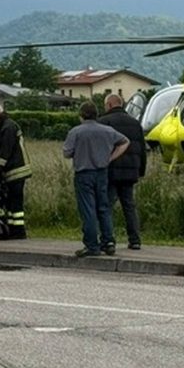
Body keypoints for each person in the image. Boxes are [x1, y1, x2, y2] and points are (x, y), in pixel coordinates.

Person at [63, 101, 129, 258]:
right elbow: (125, 141)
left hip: (84, 173)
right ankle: (109, 242)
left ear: (81, 115)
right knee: (104, 207)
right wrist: (110, 157)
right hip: (102, 172)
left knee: (88, 209)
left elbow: (67, 153)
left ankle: (92, 245)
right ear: (96, 114)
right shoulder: (107, 130)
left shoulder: (76, 132)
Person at [98, 94, 146, 250]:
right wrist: (140, 170)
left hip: (110, 170)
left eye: (105, 105)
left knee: (107, 206)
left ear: (110, 105)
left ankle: (108, 239)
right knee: (129, 206)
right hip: (130, 171)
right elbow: (142, 150)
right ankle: (135, 240)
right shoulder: (135, 123)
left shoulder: (104, 122)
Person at [0, 101, 32, 240]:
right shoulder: (4, 126)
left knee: (15, 202)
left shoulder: (8, 128)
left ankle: (18, 231)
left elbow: (4, 153)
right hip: (13, 170)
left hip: (16, 171)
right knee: (10, 201)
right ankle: (11, 229)